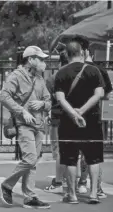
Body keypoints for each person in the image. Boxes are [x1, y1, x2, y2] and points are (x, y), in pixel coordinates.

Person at [0, 46, 52, 209]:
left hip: (39, 125)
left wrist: (43, 104)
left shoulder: (40, 79)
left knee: (33, 162)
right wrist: (21, 111)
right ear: (31, 59)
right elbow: (4, 96)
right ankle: (7, 185)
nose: (43, 62)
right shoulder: (16, 76)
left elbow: (49, 101)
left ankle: (30, 196)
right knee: (29, 158)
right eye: (40, 59)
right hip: (24, 125)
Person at [54, 39, 105, 204]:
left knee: (69, 158)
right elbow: (99, 94)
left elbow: (60, 98)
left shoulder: (61, 73)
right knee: (94, 158)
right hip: (92, 120)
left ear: (67, 54)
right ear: (82, 53)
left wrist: (74, 113)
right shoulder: (93, 71)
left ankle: (72, 195)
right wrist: (82, 111)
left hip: (68, 122)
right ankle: (93, 194)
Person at [71, 35, 111, 199]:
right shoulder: (99, 71)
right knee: (94, 154)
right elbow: (106, 94)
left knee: (74, 151)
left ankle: (76, 187)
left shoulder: (68, 69)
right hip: (93, 115)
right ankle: (96, 188)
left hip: (73, 115)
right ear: (89, 52)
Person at [44, 50, 69, 193]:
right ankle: (72, 181)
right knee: (73, 150)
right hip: (76, 116)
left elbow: (49, 100)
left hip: (58, 117)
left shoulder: (53, 78)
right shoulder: (80, 75)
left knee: (59, 150)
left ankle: (59, 181)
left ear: (60, 62)